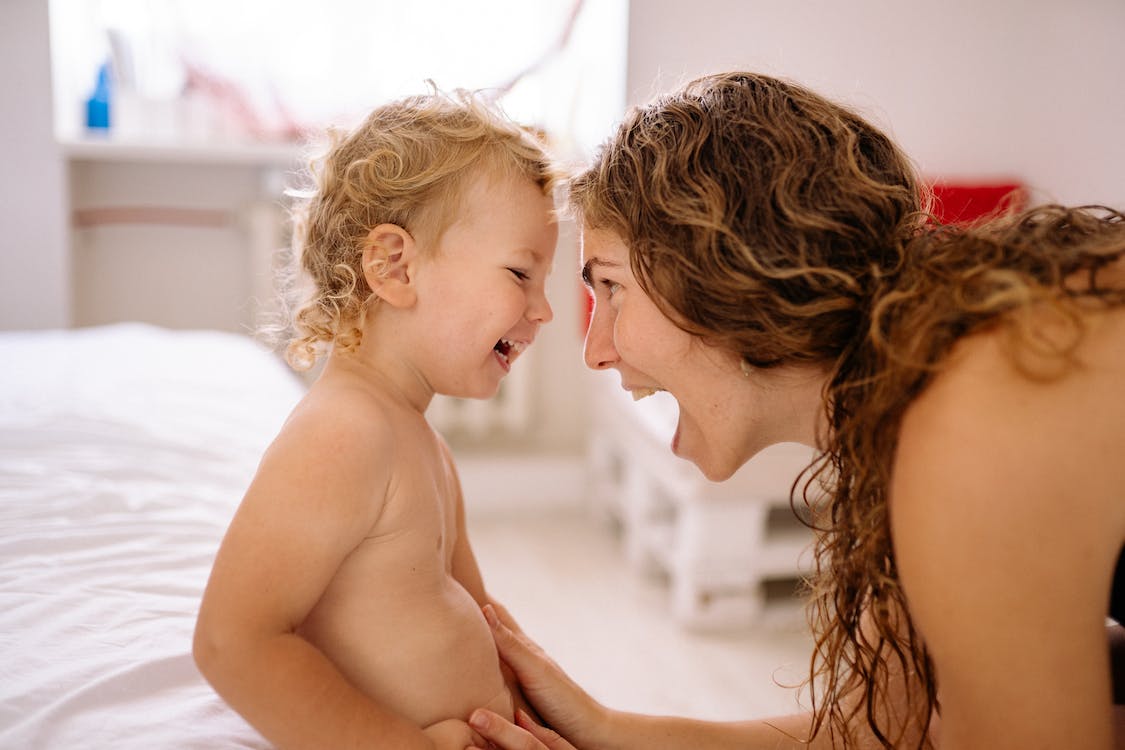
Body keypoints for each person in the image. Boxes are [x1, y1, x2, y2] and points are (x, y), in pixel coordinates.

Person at [465, 71, 1125, 750]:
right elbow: (872, 731)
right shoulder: (922, 393)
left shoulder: (971, 414)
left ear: (728, 273)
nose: (595, 351)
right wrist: (606, 732)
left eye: (612, 287)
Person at [192, 89, 559, 750]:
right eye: (520, 274)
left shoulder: (419, 439)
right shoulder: (342, 434)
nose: (543, 311)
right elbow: (232, 640)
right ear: (394, 266)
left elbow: (485, 624)